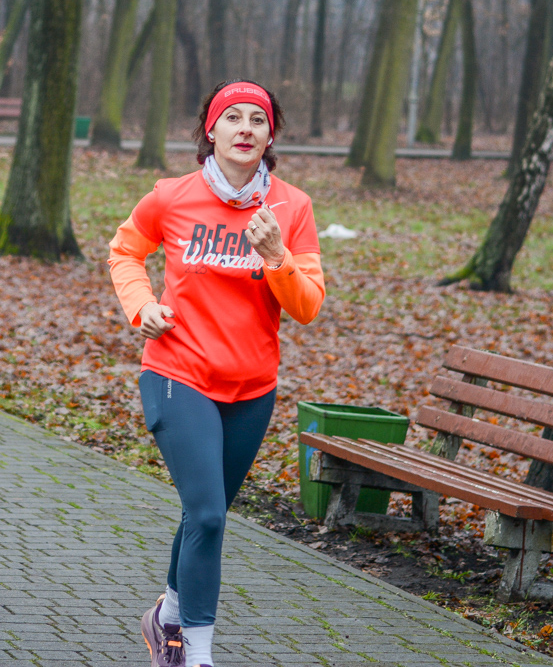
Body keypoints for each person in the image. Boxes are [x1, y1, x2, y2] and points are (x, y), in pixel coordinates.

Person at [107, 80, 324, 667]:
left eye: (258, 119)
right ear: (212, 129)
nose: (246, 128)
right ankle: (196, 653)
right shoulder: (171, 197)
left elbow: (306, 307)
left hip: (252, 389)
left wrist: (277, 255)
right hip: (177, 374)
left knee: (206, 514)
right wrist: (141, 305)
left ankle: (166, 617)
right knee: (207, 514)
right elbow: (124, 250)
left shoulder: (291, 207)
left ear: (270, 134)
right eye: (234, 118)